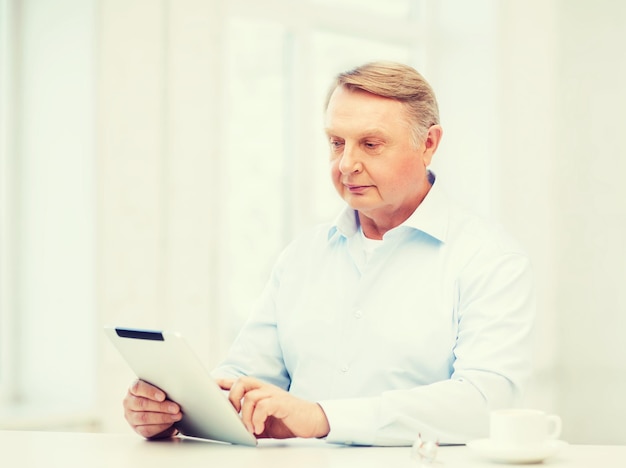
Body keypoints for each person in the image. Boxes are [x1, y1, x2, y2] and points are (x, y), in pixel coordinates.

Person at [123, 61, 535, 446]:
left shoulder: (489, 259)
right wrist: (176, 409)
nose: (346, 164)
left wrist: (322, 417)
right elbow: (246, 376)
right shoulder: (303, 256)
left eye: (371, 144)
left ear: (428, 144)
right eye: (336, 143)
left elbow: (486, 404)